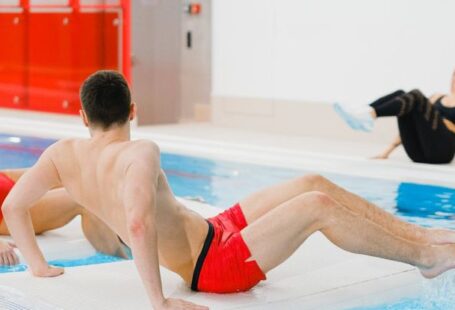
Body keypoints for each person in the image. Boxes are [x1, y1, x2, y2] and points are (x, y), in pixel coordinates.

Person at [3, 71, 455, 310]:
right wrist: (157, 301)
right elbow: (138, 222)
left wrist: (39, 265)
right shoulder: (140, 151)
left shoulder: (62, 154)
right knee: (317, 206)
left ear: (83, 117)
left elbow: (14, 206)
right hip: (213, 266)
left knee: (312, 183)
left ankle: (422, 236)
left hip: (213, 230)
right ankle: (425, 258)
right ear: (133, 110)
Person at [0, 168, 128, 266]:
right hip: (5, 211)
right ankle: (123, 263)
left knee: (76, 175)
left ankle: (126, 237)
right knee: (84, 199)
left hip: (4, 181)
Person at [334, 69, 455, 164]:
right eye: (454, 76)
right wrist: (386, 152)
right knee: (402, 95)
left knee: (416, 95)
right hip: (418, 154)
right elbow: (416, 123)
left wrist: (444, 123)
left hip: (440, 154)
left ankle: (367, 115)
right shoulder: (436, 97)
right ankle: (365, 112)